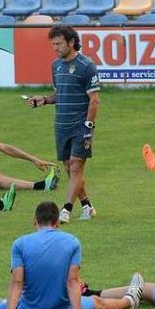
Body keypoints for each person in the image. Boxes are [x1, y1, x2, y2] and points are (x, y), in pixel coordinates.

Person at [0, 202, 140, 309]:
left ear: (35, 221)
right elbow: (72, 282)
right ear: (57, 222)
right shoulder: (72, 242)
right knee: (97, 302)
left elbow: (17, 284)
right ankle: (130, 299)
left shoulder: (20, 244)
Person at [24, 25, 100, 224]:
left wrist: (88, 126)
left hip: (80, 126)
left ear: (71, 42)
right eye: (53, 44)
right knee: (69, 167)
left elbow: (94, 100)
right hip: (61, 125)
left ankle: (66, 209)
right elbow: (60, 93)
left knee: (76, 167)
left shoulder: (87, 66)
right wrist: (44, 100)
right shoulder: (56, 65)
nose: (55, 48)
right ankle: (87, 206)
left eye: (58, 44)